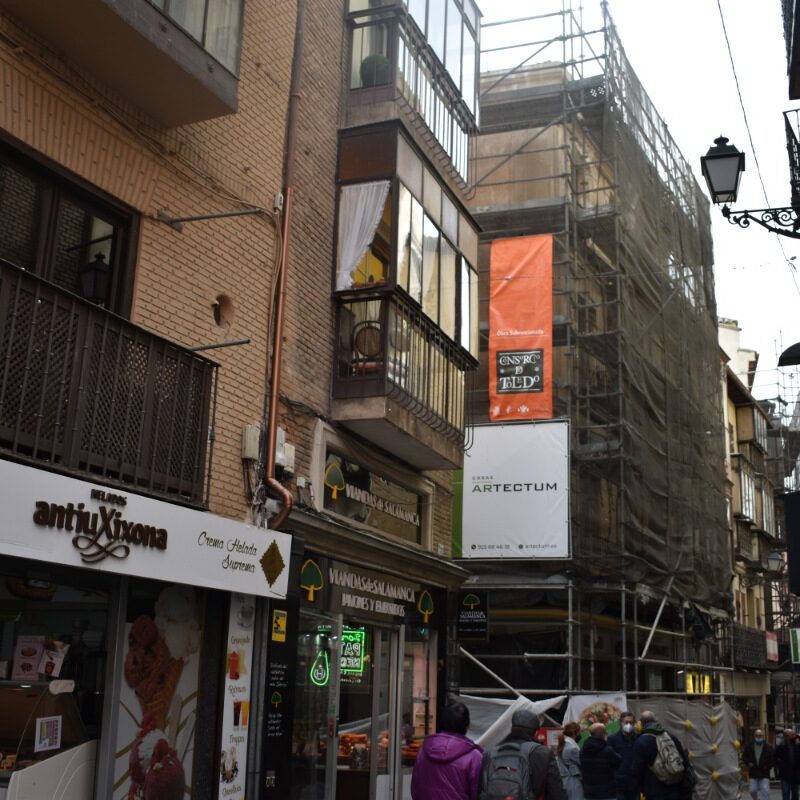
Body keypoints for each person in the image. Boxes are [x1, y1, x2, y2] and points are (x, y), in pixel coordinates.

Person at [480, 707, 567, 800]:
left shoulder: (489, 754)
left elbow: (481, 791)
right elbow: (556, 793)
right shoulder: (542, 753)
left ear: (511, 729)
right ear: (536, 733)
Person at [411, 702, 483, 800]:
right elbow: (477, 794)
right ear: (467, 725)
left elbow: (415, 789)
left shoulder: (423, 751)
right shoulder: (474, 757)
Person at [629, 710, 689, 800]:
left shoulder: (641, 742)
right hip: (674, 788)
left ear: (641, 724)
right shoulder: (670, 736)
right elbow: (684, 759)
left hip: (653, 791)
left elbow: (636, 770)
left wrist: (640, 789)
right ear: (655, 721)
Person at [580, 722, 622, 800]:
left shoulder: (583, 750)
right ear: (602, 734)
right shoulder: (607, 750)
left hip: (589, 792)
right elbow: (618, 761)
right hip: (607, 792)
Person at [607, 711, 638, 800]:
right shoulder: (612, 739)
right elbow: (609, 760)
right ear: (621, 723)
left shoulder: (638, 738)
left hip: (635, 782)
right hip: (619, 782)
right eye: (626, 722)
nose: (628, 725)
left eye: (631, 722)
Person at [742, 728, 775, 800]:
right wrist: (748, 763)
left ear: (763, 736)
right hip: (753, 772)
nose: (758, 737)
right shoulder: (749, 746)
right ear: (754, 736)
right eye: (757, 735)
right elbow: (744, 757)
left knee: (765, 790)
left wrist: (767, 767)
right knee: (752, 790)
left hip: (764, 773)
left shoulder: (768, 747)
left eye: (760, 735)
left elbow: (772, 760)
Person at [556, 721, 584, 800]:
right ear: (576, 733)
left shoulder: (565, 744)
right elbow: (582, 763)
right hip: (574, 781)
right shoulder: (572, 748)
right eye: (580, 732)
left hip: (567, 781)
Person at [775, 727, 800, 800]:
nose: (794, 736)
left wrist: (797, 746)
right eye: (792, 734)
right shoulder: (781, 745)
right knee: (786, 791)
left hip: (795, 773)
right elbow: (775, 757)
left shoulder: (797, 744)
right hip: (785, 773)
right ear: (786, 736)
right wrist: (780, 765)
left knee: (795, 792)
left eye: (794, 734)